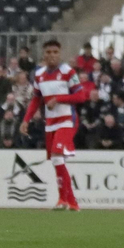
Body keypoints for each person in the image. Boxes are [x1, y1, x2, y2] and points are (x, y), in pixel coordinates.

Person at [19, 40, 86, 211]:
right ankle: (72, 203)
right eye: (48, 52)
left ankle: (63, 200)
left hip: (67, 120)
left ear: (60, 53)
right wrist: (26, 120)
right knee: (56, 159)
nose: (52, 55)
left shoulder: (67, 72)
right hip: (50, 122)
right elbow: (36, 99)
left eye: (55, 52)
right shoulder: (39, 74)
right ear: (44, 54)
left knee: (57, 154)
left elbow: (81, 96)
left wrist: (58, 99)